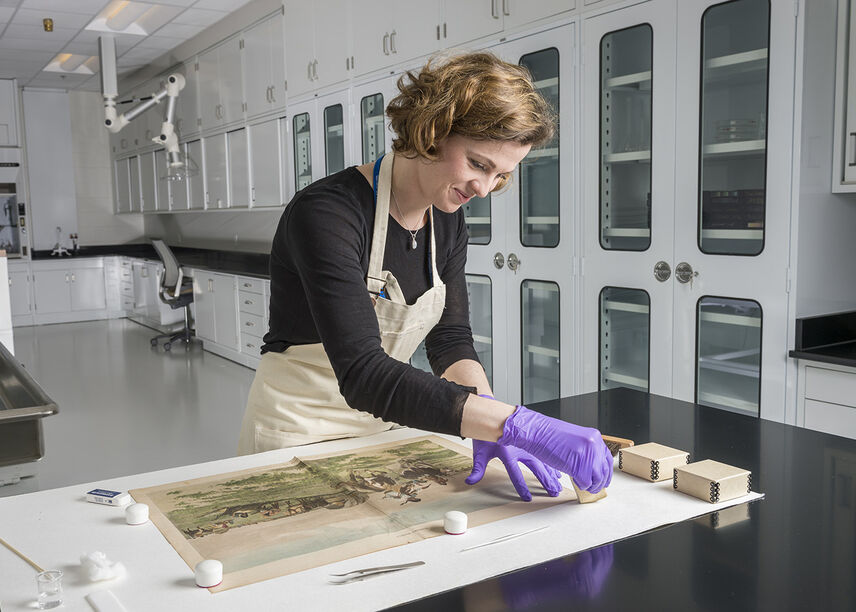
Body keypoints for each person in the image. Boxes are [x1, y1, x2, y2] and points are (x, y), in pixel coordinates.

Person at [239, 52, 613, 499]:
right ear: (432, 131)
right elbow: (363, 373)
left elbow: (450, 339)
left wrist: (491, 420)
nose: (484, 189)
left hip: (383, 428)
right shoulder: (328, 214)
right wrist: (516, 423)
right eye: (478, 164)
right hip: (297, 431)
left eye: (501, 175)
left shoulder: (447, 220)